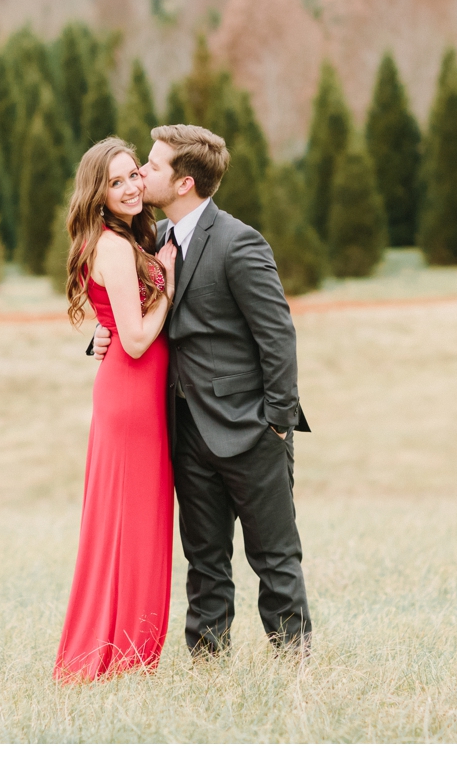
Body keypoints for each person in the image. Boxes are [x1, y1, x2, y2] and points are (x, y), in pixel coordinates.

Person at [92, 124, 312, 657]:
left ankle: (294, 666)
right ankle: (208, 668)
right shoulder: (156, 241)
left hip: (251, 430)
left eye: (153, 164)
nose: (142, 172)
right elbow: (134, 314)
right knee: (205, 562)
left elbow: (277, 334)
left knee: (274, 558)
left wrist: (277, 421)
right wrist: (104, 335)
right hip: (184, 433)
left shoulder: (239, 243)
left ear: (184, 182)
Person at [54, 137, 179, 682]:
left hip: (133, 393)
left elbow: (109, 321)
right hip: (132, 393)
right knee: (129, 524)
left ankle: (127, 651)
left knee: (135, 522)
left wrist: (103, 332)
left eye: (134, 175)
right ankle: (117, 655)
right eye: (116, 182)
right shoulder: (111, 245)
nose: (130, 188)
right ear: (98, 194)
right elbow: (133, 339)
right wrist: (169, 287)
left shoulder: (123, 238)